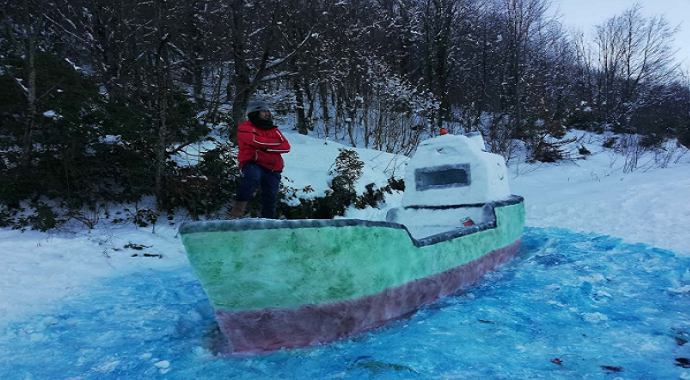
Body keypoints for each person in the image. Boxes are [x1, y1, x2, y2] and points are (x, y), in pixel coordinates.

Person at [229, 101, 291, 219]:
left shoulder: (274, 129)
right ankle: (236, 214)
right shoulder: (244, 127)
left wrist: (265, 148)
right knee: (252, 177)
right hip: (253, 162)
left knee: (271, 196)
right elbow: (255, 141)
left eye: (268, 111)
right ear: (255, 113)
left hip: (273, 166)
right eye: (264, 111)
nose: (267, 113)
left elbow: (286, 147)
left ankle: (268, 222)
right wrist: (275, 144)